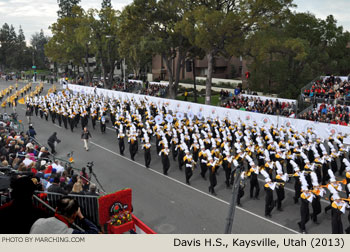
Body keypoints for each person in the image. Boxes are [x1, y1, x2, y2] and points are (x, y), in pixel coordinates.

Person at [30, 196, 99, 234]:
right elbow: (95, 231)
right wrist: (81, 217)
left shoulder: (38, 222)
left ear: (56, 209)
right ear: (74, 215)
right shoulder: (67, 232)